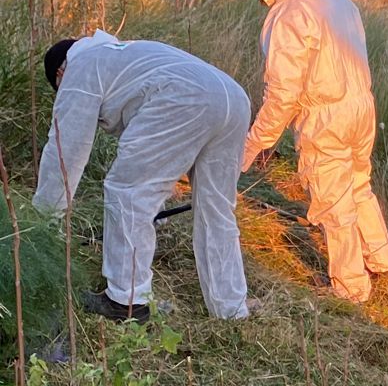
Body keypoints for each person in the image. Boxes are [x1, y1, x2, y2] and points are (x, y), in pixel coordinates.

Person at [222, 0, 388, 304]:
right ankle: (383, 258)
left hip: (326, 118)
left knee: (334, 204)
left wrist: (250, 148)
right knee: (358, 185)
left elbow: (282, 96)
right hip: (362, 109)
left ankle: (350, 287)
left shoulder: (289, 16)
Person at [35, 32, 250, 322]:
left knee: (127, 191)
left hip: (185, 95)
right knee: (218, 208)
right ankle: (231, 309)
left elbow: (64, 151)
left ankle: (126, 301)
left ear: (60, 74)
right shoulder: (125, 55)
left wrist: (43, 221)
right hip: (233, 97)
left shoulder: (80, 67)